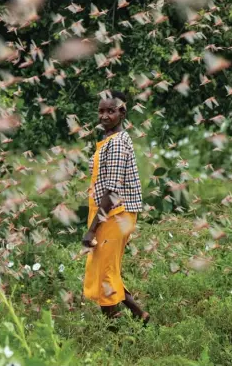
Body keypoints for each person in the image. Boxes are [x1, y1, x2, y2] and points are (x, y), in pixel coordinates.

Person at [82, 89, 150, 328]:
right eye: (101, 111)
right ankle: (139, 314)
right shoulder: (108, 141)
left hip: (115, 215)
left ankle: (115, 335)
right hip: (109, 215)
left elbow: (112, 192)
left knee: (104, 276)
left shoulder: (118, 143)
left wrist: (91, 230)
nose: (104, 116)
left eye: (110, 111)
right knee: (106, 269)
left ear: (122, 112)